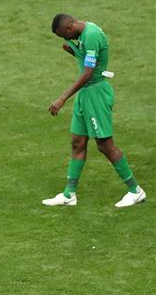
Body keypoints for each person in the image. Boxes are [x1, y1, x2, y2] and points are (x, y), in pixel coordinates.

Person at [43, 15, 145, 208]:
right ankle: (69, 194)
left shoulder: (91, 36)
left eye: (63, 35)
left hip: (96, 94)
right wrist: (74, 52)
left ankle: (135, 191)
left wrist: (62, 98)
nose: (65, 39)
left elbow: (89, 73)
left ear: (69, 26)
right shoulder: (82, 33)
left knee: (105, 145)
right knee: (77, 142)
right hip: (85, 95)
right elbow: (91, 62)